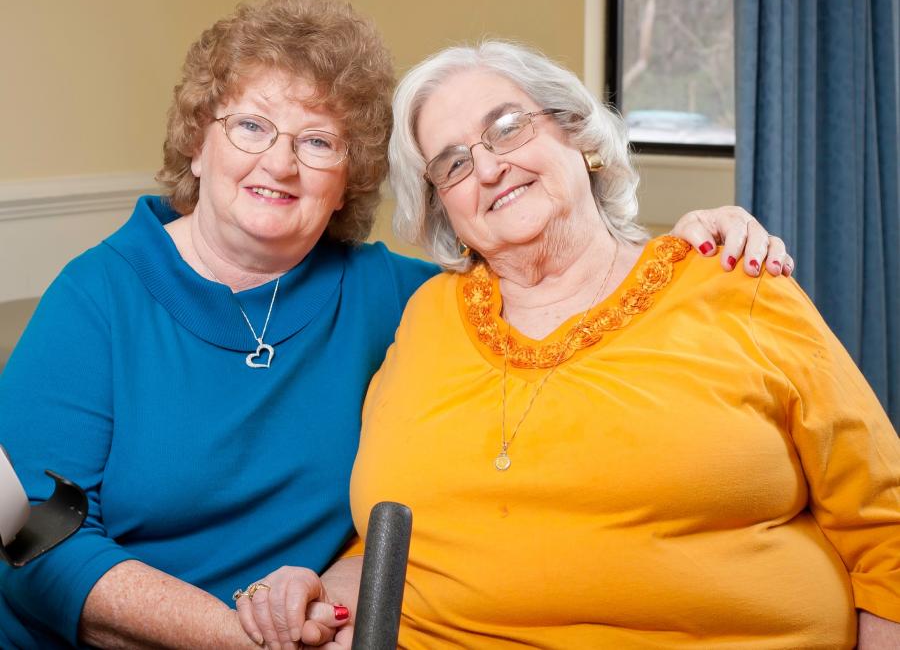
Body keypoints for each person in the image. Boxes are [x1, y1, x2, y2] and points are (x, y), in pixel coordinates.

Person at [0, 0, 788, 649]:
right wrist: (238, 637)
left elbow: (557, 273)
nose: (279, 164)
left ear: (350, 181)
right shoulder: (98, 297)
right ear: (197, 143)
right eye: (250, 126)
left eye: (318, 142)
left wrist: (684, 246)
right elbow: (31, 538)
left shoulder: (405, 301)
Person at [242, 40, 900, 649]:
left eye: (508, 126)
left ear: (578, 133)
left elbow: (885, 531)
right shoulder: (425, 315)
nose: (491, 167)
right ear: (444, 208)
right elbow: (393, 544)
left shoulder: (734, 282)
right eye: (454, 163)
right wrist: (321, 592)